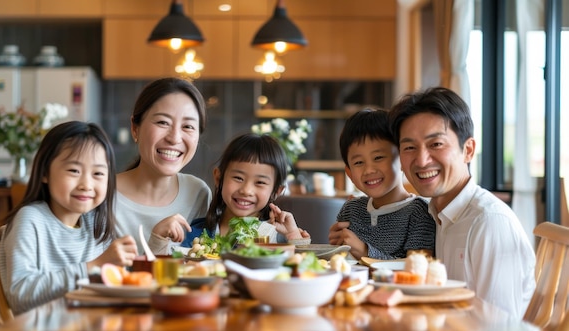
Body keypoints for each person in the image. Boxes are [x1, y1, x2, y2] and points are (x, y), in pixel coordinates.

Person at [388, 86, 535, 319]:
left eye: (436, 144)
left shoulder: (489, 222)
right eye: (409, 147)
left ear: (468, 150)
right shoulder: (436, 214)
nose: (422, 160)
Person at [0, 121, 139, 315]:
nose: (86, 184)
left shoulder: (94, 223)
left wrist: (156, 242)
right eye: (74, 171)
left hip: (90, 327)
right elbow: (20, 296)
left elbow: (114, 280)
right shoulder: (30, 220)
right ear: (45, 172)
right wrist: (94, 266)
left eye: (98, 173)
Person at [162, 133, 310, 251]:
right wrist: (159, 237)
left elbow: (303, 272)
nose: (246, 190)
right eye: (238, 178)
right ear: (219, 178)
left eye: (260, 182)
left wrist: (293, 235)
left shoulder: (278, 236)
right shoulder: (196, 233)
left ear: (276, 191)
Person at [115, 77, 212, 255]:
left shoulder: (198, 193)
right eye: (162, 122)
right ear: (135, 128)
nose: (174, 138)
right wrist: (157, 241)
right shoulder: (101, 195)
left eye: (188, 126)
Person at [328, 109, 435, 260]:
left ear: (403, 159)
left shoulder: (420, 213)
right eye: (358, 162)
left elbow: (417, 270)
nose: (369, 170)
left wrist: (366, 253)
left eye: (378, 157)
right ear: (350, 173)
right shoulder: (351, 210)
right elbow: (339, 261)